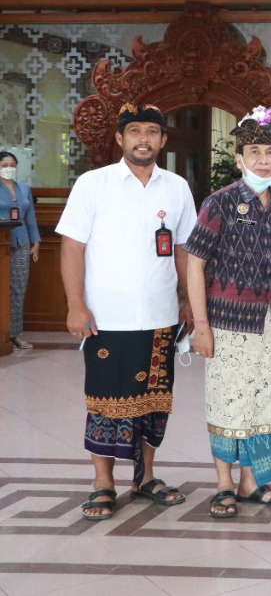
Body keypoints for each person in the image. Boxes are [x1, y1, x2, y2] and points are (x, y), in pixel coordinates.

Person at [57, 102, 196, 521]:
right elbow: (72, 247)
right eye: (135, 131)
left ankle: (145, 477)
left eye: (151, 132)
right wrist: (75, 304)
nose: (143, 139)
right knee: (105, 401)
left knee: (154, 401)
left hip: (160, 315)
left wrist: (189, 298)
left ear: (163, 140)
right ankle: (103, 482)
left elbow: (184, 249)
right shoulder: (93, 184)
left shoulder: (176, 187)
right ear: (120, 138)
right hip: (106, 317)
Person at [186, 119, 271, 518]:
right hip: (226, 322)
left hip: (268, 322)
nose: (263, 161)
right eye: (254, 153)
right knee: (228, 402)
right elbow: (194, 264)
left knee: (264, 401)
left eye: (270, 153)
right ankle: (224, 485)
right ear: (239, 159)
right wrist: (201, 325)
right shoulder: (220, 202)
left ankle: (251, 482)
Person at [0, 150, 40, 350]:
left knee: (18, 288)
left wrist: (36, 242)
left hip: (21, 241)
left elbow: (30, 216)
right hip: (1, 242)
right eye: (4, 165)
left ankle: (14, 334)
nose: (9, 169)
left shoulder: (24, 188)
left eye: (12, 165)